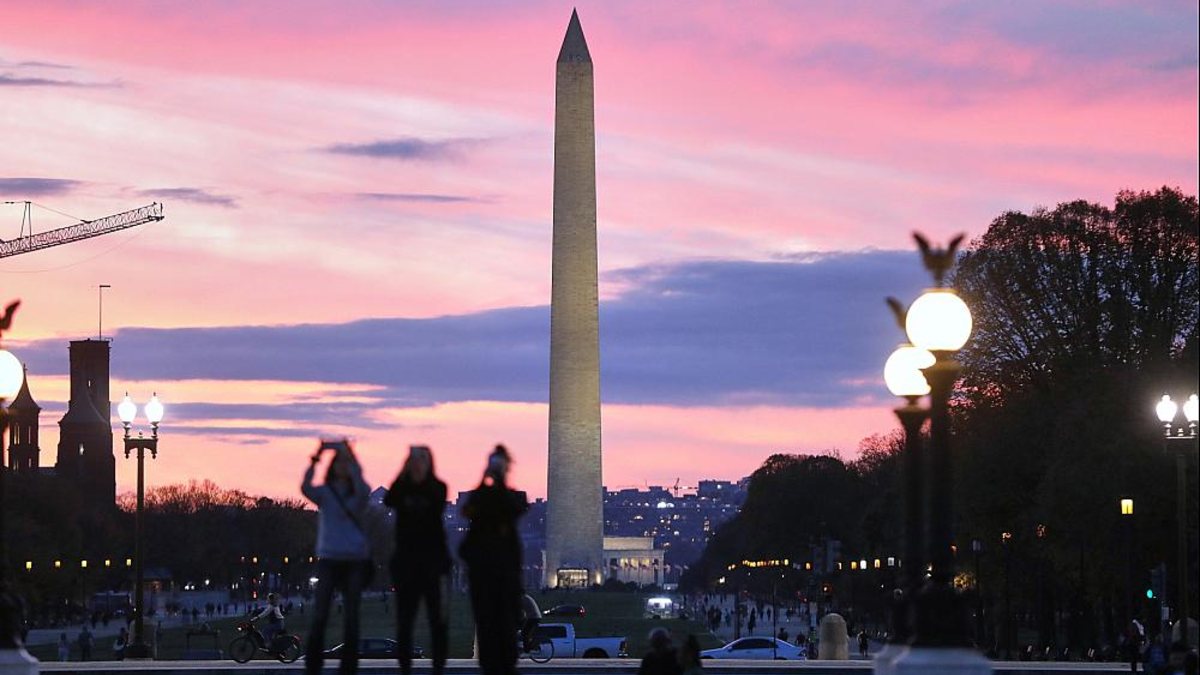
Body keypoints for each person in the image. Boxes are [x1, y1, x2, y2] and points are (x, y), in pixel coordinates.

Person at [301, 439, 372, 675]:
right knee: (320, 614)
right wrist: (316, 457)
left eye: (346, 464)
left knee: (351, 616)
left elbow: (364, 487)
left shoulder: (356, 493)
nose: (343, 467)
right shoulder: (324, 492)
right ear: (332, 467)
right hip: (330, 558)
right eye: (340, 463)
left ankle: (348, 667)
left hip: (352, 559)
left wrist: (351, 455)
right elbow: (305, 486)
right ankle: (313, 666)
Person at [460, 445, 529, 675]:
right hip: (485, 575)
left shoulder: (512, 498)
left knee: (506, 629)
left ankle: (504, 666)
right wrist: (486, 479)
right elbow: (467, 509)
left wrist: (497, 481)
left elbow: (517, 508)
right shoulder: (481, 498)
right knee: (487, 628)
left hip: (504, 575)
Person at [385, 445, 451, 675]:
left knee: (437, 620)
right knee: (405, 621)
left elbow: (436, 500)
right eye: (414, 461)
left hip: (432, 562)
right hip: (406, 563)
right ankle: (405, 668)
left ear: (429, 464)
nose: (417, 465)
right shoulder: (402, 488)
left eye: (422, 460)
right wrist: (403, 472)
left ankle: (438, 668)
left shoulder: (437, 487)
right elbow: (389, 499)